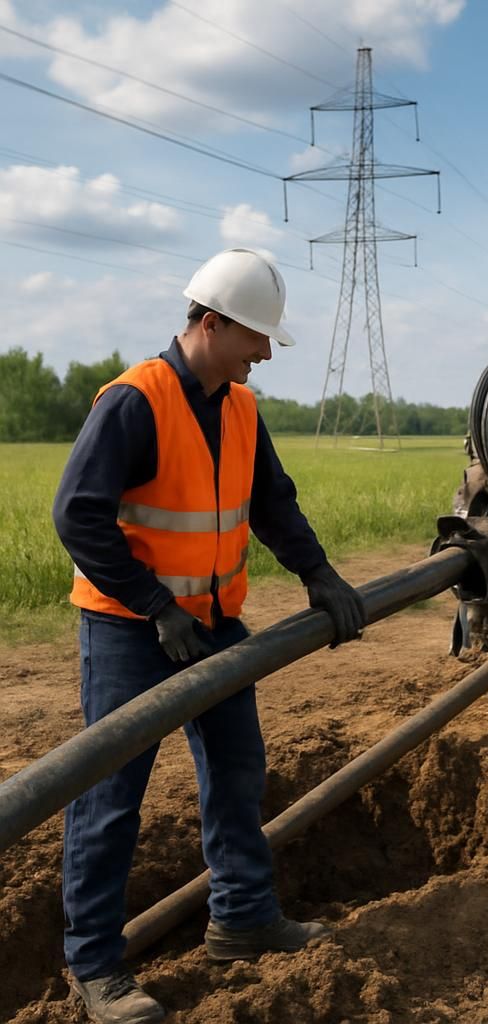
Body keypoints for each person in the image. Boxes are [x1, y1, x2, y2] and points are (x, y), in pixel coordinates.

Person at [52, 248, 366, 1024]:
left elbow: (272, 503)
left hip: (216, 623)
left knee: (236, 771)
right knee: (110, 796)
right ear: (210, 322)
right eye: (255, 337)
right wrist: (155, 604)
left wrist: (319, 574)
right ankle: (93, 968)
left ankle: (244, 918)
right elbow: (77, 515)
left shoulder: (239, 406)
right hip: (132, 627)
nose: (265, 352)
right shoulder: (135, 401)